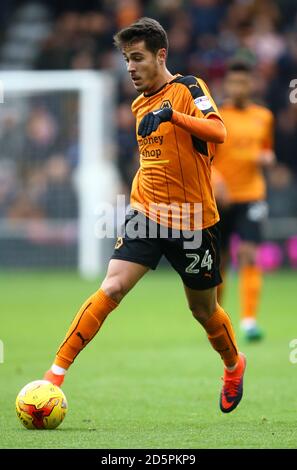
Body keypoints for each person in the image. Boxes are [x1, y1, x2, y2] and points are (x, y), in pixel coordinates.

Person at [44, 17, 246, 413]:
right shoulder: (138, 105)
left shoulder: (189, 89)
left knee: (202, 310)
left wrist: (173, 116)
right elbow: (156, 161)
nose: (131, 68)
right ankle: (54, 375)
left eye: (138, 58)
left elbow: (219, 132)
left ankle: (233, 364)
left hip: (193, 219)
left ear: (161, 55)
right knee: (113, 287)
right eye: (126, 60)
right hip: (147, 213)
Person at [212, 61, 275, 341]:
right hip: (221, 198)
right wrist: (218, 182)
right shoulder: (216, 117)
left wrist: (267, 158)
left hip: (253, 195)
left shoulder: (264, 116)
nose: (239, 87)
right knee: (220, 260)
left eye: (244, 82)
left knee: (249, 254)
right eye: (234, 82)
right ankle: (217, 317)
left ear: (252, 84)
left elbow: (266, 150)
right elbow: (205, 158)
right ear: (227, 84)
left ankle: (249, 320)